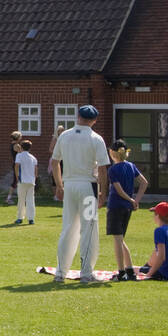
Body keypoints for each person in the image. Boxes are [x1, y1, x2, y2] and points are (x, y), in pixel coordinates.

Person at [51, 104, 110, 284]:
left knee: (68, 228)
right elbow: (102, 169)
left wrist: (59, 186)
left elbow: (55, 163)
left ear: (78, 117)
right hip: (88, 186)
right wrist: (103, 193)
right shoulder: (96, 138)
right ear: (94, 121)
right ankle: (86, 273)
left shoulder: (65, 136)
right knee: (89, 230)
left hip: (69, 185)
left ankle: (60, 272)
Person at [106, 140, 149, 280]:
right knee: (120, 238)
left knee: (118, 240)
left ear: (112, 153)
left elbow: (118, 190)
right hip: (127, 208)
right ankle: (129, 270)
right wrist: (136, 200)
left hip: (116, 206)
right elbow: (144, 182)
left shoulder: (113, 170)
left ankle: (121, 272)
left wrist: (131, 200)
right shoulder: (131, 166)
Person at [13, 140, 38, 225]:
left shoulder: (19, 155)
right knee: (30, 200)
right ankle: (31, 219)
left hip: (22, 180)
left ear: (22, 147)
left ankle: (20, 218)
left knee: (21, 200)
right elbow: (35, 170)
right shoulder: (33, 157)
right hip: (31, 181)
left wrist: (17, 177)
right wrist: (34, 179)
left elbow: (16, 166)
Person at [48, 125, 65, 202]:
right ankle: (55, 195)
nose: (61, 132)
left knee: (63, 176)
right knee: (55, 177)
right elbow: (50, 149)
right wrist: (58, 153)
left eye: (62, 130)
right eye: (59, 130)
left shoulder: (65, 138)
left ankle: (62, 194)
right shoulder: (55, 139)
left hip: (63, 159)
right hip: (56, 159)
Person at [5, 130, 23, 205]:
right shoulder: (17, 145)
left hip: (16, 164)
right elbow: (22, 154)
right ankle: (9, 198)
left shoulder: (12, 144)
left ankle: (11, 198)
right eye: (20, 136)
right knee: (17, 181)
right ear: (18, 137)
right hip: (18, 165)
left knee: (16, 181)